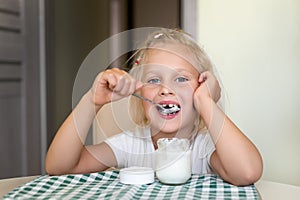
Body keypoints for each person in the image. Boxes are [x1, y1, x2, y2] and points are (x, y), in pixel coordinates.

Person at [45, 28, 263, 186]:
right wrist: (92, 100)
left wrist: (207, 103)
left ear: (201, 90)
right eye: (154, 80)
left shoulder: (205, 148)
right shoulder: (130, 145)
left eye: (180, 79)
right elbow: (59, 167)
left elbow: (247, 172)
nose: (166, 89)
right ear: (139, 96)